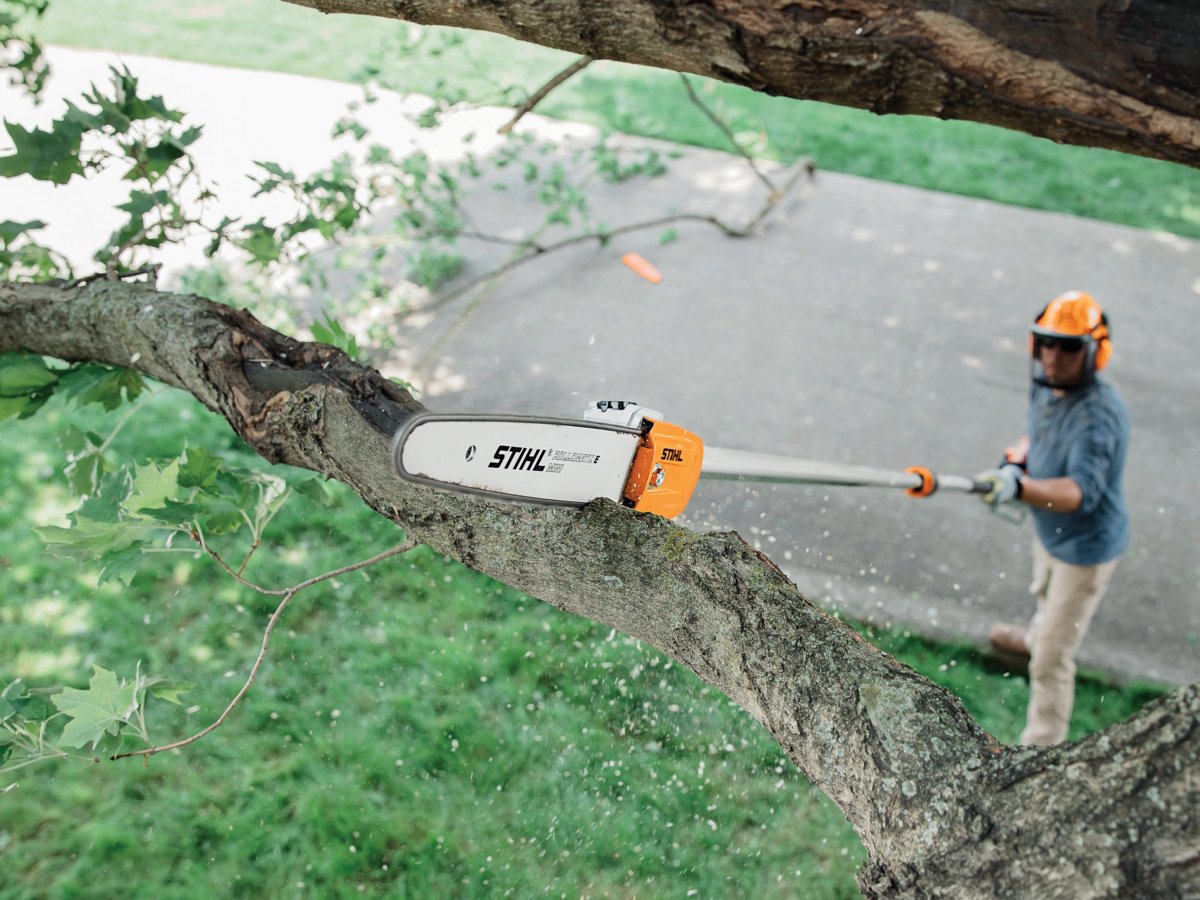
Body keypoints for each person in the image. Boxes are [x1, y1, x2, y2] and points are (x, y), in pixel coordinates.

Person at [976, 290, 1130, 746]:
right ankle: (1035, 636)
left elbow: (1078, 492)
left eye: (1068, 347)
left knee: (1053, 661)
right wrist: (1015, 463)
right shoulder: (1047, 384)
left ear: (1093, 353)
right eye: (1046, 343)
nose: (1053, 356)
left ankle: (1039, 753)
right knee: (1044, 594)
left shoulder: (1097, 416)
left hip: (1086, 548)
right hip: (1049, 533)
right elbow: (1036, 433)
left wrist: (1020, 489)